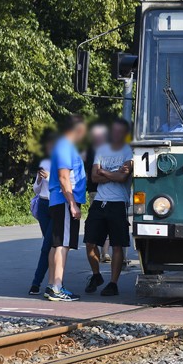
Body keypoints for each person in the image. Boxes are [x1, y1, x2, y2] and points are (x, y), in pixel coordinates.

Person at [83, 118, 133, 296]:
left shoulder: (129, 151)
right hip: (100, 202)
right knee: (89, 242)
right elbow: (94, 178)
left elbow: (123, 178)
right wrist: (112, 173)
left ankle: (113, 283)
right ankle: (96, 275)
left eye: (120, 132)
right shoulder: (102, 150)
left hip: (118, 203)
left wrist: (104, 172)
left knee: (117, 245)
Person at [46, 114, 88, 302]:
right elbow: (64, 178)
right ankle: (56, 287)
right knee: (62, 244)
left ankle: (53, 285)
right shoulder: (65, 147)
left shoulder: (66, 147)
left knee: (57, 244)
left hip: (63, 201)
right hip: (64, 201)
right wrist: (72, 203)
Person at [28, 132, 57, 295]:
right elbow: (36, 189)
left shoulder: (63, 163)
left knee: (47, 246)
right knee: (49, 245)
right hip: (44, 205)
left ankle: (37, 282)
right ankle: (52, 279)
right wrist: (39, 179)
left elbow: (68, 183)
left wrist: (49, 176)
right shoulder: (44, 162)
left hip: (56, 205)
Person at [85, 123, 110, 261]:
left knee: (101, 221)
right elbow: (93, 173)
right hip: (96, 190)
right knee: (102, 221)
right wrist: (111, 176)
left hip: (97, 190)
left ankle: (104, 252)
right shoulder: (95, 150)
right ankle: (103, 252)